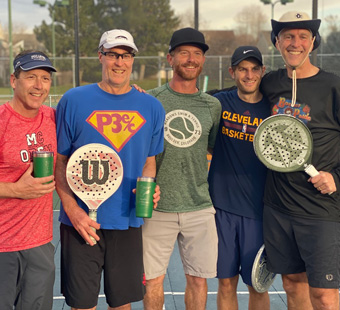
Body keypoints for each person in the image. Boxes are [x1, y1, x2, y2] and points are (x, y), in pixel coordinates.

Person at [55, 29, 165, 310]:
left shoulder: (151, 107)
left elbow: (149, 161)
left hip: (127, 220)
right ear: (100, 56)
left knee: (122, 304)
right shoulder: (73, 100)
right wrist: (73, 211)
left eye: (126, 56)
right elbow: (60, 161)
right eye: (113, 55)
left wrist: (149, 186)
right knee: (82, 305)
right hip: (81, 223)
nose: (120, 62)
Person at [260, 11, 340, 310]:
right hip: (278, 206)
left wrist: (336, 177)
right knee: (293, 285)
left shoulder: (333, 87)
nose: (296, 43)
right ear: (277, 42)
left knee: (324, 295)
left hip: (321, 209)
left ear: (313, 42)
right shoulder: (269, 84)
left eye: (303, 36)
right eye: (288, 37)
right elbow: (233, 96)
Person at [142, 27, 221, 310]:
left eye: (197, 53)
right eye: (184, 53)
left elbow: (211, 148)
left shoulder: (212, 106)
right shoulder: (149, 100)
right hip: (157, 207)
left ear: (203, 61)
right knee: (152, 281)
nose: (191, 59)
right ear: (169, 58)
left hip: (199, 207)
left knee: (198, 281)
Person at [208, 46, 271, 310]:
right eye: (242, 69)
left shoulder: (273, 108)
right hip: (221, 209)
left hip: (259, 212)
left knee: (257, 285)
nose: (249, 75)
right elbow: (181, 100)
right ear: (232, 72)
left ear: (262, 72)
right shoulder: (217, 102)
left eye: (254, 69)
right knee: (226, 283)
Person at [0, 50, 57, 309]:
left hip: (40, 244)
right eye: (31, 77)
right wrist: (14, 189)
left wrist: (132, 95)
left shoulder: (53, 118)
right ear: (14, 80)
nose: (38, 85)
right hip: (3, 246)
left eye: (44, 78)